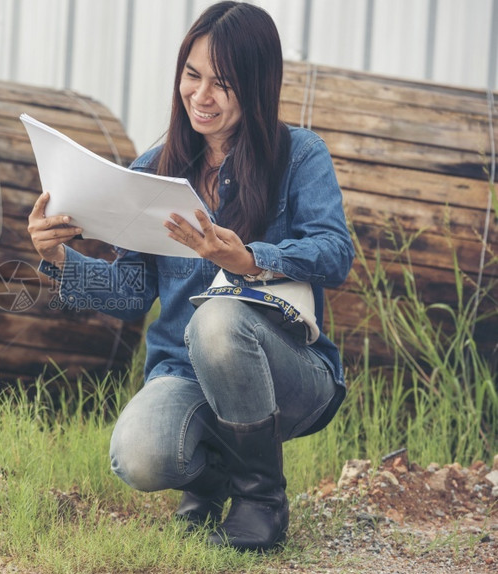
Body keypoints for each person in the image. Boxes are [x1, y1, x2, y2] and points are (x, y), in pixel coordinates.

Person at [27, 0, 354, 552]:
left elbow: (336, 252)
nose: (201, 96)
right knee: (138, 455)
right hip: (185, 372)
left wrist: (249, 260)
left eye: (222, 83)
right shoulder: (153, 170)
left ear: (256, 84)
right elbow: (132, 296)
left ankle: (261, 499)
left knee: (218, 321)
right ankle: (210, 480)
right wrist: (60, 260)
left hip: (290, 373)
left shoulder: (299, 156)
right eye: (192, 75)